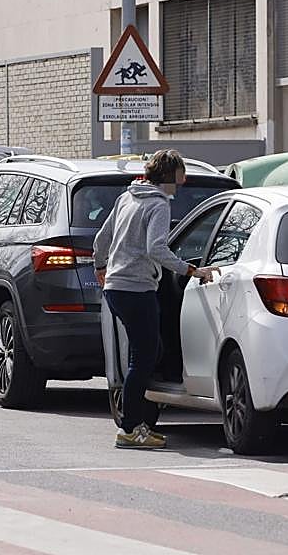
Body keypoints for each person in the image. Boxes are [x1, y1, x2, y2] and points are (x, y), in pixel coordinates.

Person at [93, 150, 217, 450]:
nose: (184, 179)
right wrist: (192, 270)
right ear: (170, 175)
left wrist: (100, 267)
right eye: (181, 174)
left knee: (147, 352)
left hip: (115, 287)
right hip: (137, 288)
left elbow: (101, 238)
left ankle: (135, 422)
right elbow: (157, 249)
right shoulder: (159, 204)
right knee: (144, 358)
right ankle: (131, 428)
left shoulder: (128, 197)